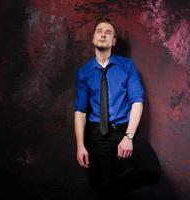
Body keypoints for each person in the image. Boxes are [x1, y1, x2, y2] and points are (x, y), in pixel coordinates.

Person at [74, 17, 161, 199]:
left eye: (108, 32)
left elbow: (137, 101)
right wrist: (80, 145)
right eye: (99, 31)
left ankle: (112, 189)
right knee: (101, 186)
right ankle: (109, 190)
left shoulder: (127, 66)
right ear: (93, 38)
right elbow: (80, 111)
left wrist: (129, 136)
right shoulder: (84, 72)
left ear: (114, 41)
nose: (103, 35)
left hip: (125, 129)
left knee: (152, 170)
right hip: (98, 133)